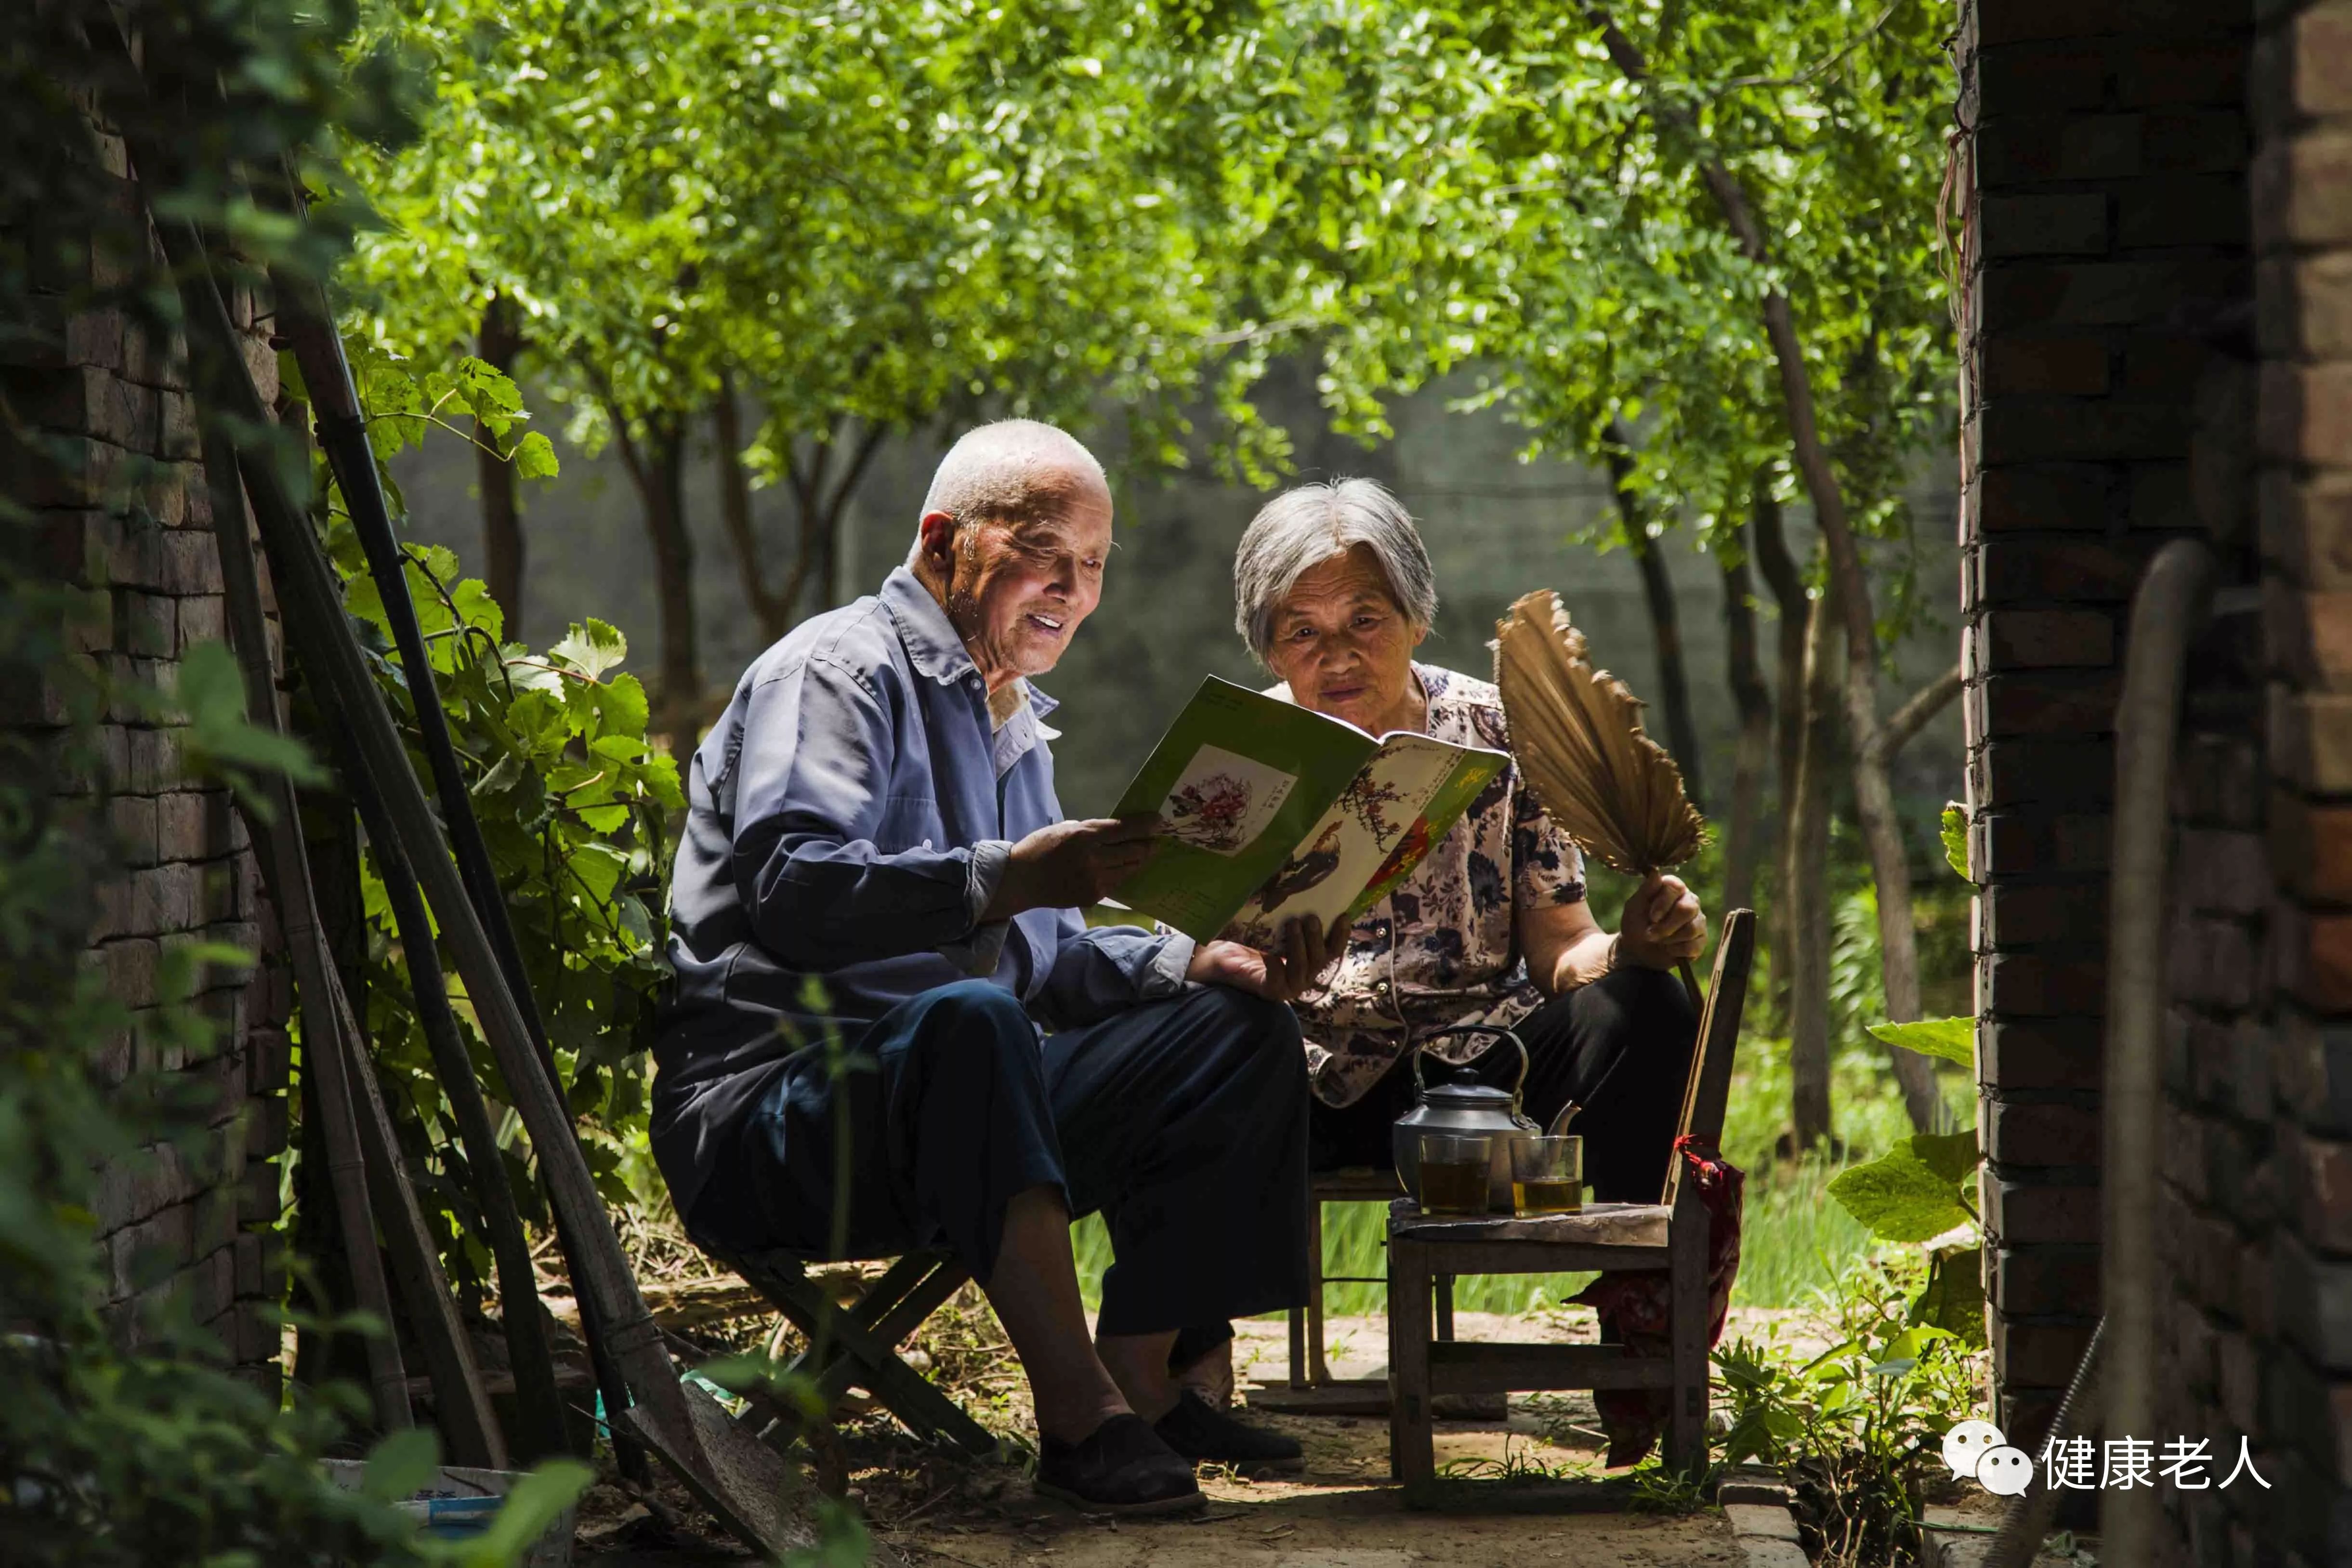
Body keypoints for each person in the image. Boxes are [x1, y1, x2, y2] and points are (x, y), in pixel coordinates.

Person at [654, 421, 1335, 1513]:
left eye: (1095, 563)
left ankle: (1145, 1385)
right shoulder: (837, 669)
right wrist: (1005, 876)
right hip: (776, 1115)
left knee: (1230, 1025)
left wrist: (1203, 955)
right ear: (942, 541)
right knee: (971, 1019)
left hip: (957, 1107)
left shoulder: (1014, 722)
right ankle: (1076, 1422)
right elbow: (792, 886)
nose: (1073, 586)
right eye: (1044, 549)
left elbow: (1050, 967)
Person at [1173, 476, 1709, 1400]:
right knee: (1186, 1042)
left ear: (1417, 619)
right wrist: (1240, 967)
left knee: (1651, 1004)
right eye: (1302, 631)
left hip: (1478, 1084)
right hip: (1299, 1081)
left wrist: (1630, 950)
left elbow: (1562, 950)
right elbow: (1181, 943)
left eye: (1365, 621)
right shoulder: (1240, 757)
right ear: (1268, 644)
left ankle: (1638, 1334)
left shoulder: (1500, 737)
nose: (1336, 655)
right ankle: (1183, 1368)